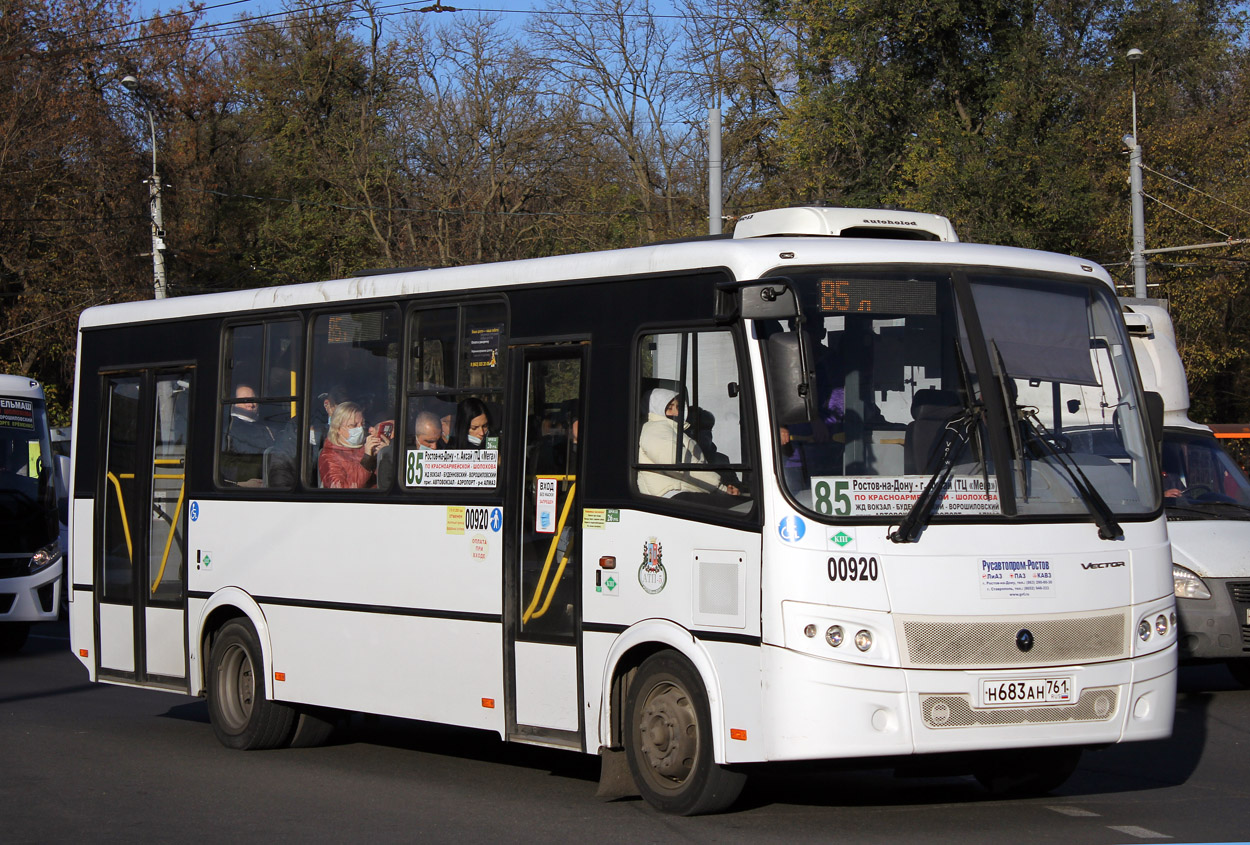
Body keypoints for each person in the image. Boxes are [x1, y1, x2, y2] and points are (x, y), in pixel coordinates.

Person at [637, 388, 741, 500]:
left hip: (683, 490)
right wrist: (721, 488)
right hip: (671, 493)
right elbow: (679, 463)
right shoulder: (655, 429)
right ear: (655, 409)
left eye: (678, 407)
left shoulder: (672, 429)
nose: (676, 412)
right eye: (669, 408)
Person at [318, 401, 390, 489]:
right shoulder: (329, 455)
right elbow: (340, 490)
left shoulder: (368, 446)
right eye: (353, 425)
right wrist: (367, 459)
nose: (360, 429)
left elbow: (386, 482)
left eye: (362, 424)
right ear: (338, 429)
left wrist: (385, 455)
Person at [222, 384, 275, 485]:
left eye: (253, 399)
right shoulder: (227, 427)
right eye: (245, 400)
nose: (251, 404)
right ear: (234, 403)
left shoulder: (268, 428)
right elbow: (223, 463)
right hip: (240, 485)